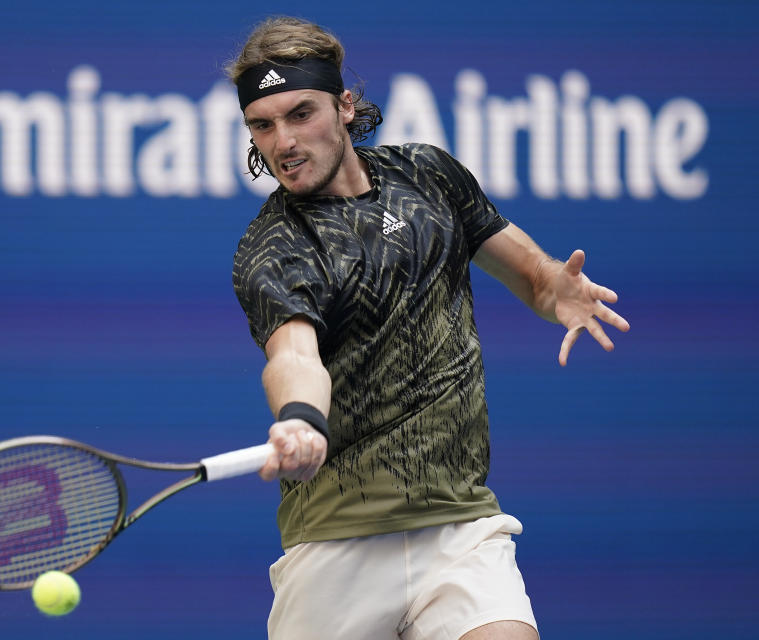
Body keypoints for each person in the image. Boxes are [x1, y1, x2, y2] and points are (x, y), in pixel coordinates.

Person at [226, 16, 630, 640]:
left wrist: (558, 290)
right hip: (338, 544)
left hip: (459, 527)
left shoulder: (428, 175)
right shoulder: (273, 247)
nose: (283, 141)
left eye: (300, 113)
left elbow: (532, 275)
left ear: (344, 106)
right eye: (262, 124)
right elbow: (293, 356)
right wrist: (301, 419)